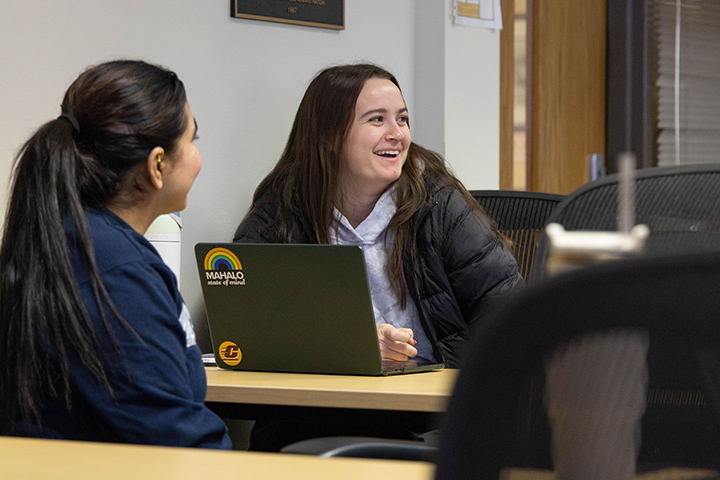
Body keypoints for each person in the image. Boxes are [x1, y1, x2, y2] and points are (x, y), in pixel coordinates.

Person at [233, 63, 523, 450]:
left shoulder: (438, 204)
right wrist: (351, 345)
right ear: (328, 135)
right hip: (315, 414)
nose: (397, 134)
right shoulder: (282, 210)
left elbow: (508, 312)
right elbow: (245, 321)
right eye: (377, 119)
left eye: (402, 119)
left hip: (431, 418)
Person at [0, 60, 231, 448]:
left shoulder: (78, 240)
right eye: (192, 140)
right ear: (157, 164)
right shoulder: (113, 268)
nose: (197, 157)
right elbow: (176, 436)